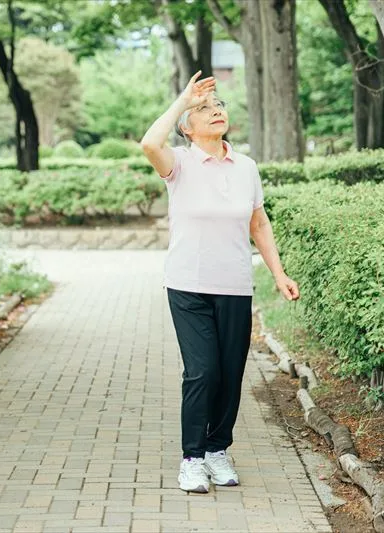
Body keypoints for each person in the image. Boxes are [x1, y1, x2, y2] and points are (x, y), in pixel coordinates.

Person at [140, 71, 300, 494]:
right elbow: (148, 144)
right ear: (187, 127)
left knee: (230, 373)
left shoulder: (246, 167)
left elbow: (258, 223)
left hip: (234, 284)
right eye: (203, 111)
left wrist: (279, 273)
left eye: (219, 107)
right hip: (188, 285)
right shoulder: (178, 163)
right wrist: (182, 100)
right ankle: (192, 458)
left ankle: (217, 449)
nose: (215, 113)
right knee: (203, 371)